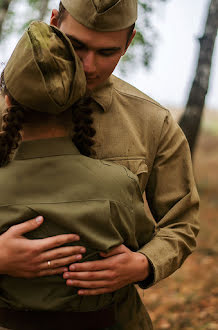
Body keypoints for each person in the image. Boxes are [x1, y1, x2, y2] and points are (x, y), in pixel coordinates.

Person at [0, 1, 199, 329]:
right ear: (53, 22)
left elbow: (182, 222)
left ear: (129, 42)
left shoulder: (152, 123)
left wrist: (143, 263)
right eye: (76, 45)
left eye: (106, 52)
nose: (89, 65)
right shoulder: (10, 104)